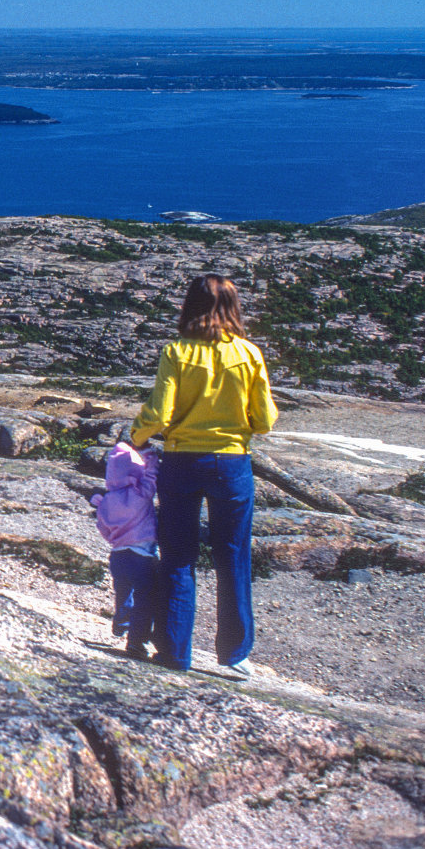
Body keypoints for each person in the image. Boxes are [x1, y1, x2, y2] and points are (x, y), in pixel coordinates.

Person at [130, 274, 277, 675]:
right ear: (233, 308)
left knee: (178, 556)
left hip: (182, 461)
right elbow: (264, 421)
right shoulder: (249, 353)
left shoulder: (176, 351)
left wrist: (135, 437)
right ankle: (236, 654)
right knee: (234, 555)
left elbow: (158, 414)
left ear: (189, 306)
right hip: (232, 463)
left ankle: (174, 652)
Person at [89, 441, 160, 659]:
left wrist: (115, 540)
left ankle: (121, 622)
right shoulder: (140, 492)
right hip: (142, 556)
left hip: (118, 556)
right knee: (145, 599)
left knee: (123, 592)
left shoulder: (106, 501)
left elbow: (103, 528)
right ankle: (136, 642)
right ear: (135, 471)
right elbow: (152, 478)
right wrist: (151, 458)